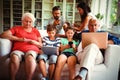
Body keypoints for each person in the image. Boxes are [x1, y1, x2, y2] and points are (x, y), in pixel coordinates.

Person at [0, 12, 43, 80]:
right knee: (14, 57)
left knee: (30, 58)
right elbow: (3, 35)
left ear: (33, 22)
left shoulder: (36, 31)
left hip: (32, 50)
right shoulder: (16, 28)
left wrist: (34, 42)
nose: (28, 23)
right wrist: (20, 39)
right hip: (18, 50)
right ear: (22, 21)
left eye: (30, 22)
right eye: (26, 21)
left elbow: (41, 45)